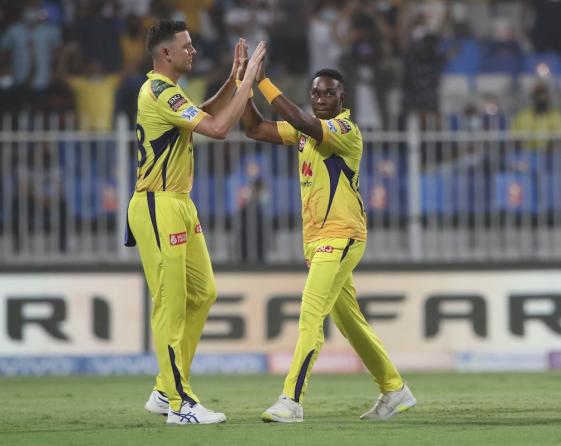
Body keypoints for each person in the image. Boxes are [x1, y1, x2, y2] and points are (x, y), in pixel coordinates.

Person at [237, 46, 416, 422]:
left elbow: (303, 123)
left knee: (310, 313)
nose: (321, 98)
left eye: (328, 92)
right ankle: (394, 388)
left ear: (341, 97)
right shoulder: (306, 132)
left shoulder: (345, 130)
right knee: (351, 323)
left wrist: (263, 81)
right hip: (318, 240)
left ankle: (291, 400)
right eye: (316, 92)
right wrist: (243, 85)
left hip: (342, 235)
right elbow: (254, 129)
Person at [125, 20, 265, 425]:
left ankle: (164, 386)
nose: (193, 51)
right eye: (186, 46)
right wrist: (248, 82)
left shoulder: (168, 92)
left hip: (181, 203)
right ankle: (179, 404)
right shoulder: (157, 89)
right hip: (157, 204)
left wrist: (233, 81)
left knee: (203, 293)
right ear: (165, 53)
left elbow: (201, 116)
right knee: (169, 303)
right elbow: (218, 129)